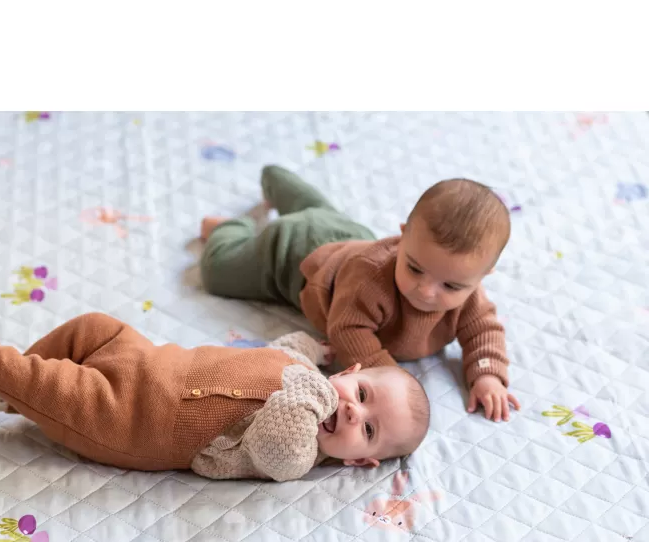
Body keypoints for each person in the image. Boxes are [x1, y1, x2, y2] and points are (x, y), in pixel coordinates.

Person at [0, 299, 430, 482]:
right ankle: (5, 395)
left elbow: (279, 432)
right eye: (362, 393)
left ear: (359, 461)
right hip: (149, 359)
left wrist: (325, 390)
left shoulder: (298, 454)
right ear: (351, 370)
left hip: (139, 421)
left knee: (64, 389)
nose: (351, 412)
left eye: (368, 430)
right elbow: (281, 350)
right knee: (93, 327)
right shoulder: (306, 370)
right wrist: (311, 349)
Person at [200, 167, 520, 422]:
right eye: (414, 268)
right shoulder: (369, 281)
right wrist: (392, 378)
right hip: (290, 253)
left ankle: (280, 183)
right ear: (402, 235)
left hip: (346, 234)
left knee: (322, 213)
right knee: (218, 273)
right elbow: (348, 331)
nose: (425, 290)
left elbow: (484, 331)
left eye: (450, 286)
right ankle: (232, 228)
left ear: (482, 276)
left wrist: (487, 375)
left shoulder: (470, 297)